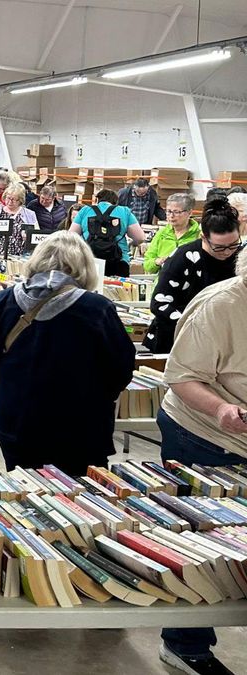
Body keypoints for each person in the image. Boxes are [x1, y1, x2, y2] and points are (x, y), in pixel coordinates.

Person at [154, 246, 247, 675]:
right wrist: (221, 410)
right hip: (202, 434)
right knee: (200, 541)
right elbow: (181, 375)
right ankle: (186, 645)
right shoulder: (220, 305)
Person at [0, 231, 134, 475]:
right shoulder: (96, 308)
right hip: (79, 425)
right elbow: (122, 367)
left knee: (22, 495)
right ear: (84, 265)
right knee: (81, 501)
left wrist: (18, 365)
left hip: (17, 419)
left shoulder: (5, 299)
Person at [143, 199, 243, 353]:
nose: (227, 252)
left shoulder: (241, 257)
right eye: (219, 247)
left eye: (234, 244)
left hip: (226, 342)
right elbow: (159, 303)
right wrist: (198, 326)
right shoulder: (183, 257)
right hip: (177, 341)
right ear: (203, 237)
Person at [69, 188, 146, 278]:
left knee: (90, 290)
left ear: (98, 200)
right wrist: (133, 243)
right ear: (115, 202)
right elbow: (140, 238)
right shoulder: (124, 211)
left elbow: (71, 236)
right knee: (117, 290)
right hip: (118, 261)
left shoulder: (85, 210)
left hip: (90, 260)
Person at [143, 193, 200, 275]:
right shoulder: (162, 234)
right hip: (163, 283)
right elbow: (147, 264)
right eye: (168, 211)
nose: (171, 216)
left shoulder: (199, 235)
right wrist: (157, 262)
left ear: (189, 213)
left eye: (176, 212)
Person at [0, 184, 39, 257]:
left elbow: (36, 237)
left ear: (21, 200)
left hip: (22, 256)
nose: (10, 202)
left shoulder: (30, 214)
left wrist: (28, 237)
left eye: (14, 200)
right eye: (8, 198)